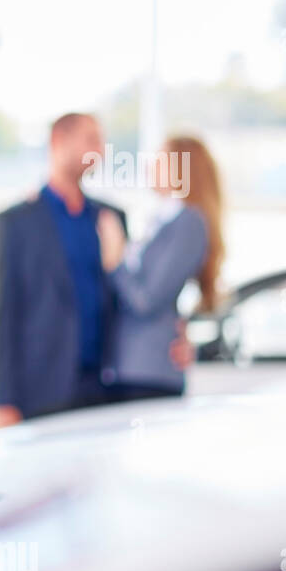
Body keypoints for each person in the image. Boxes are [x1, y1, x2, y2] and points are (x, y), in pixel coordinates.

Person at [0, 113, 128, 426]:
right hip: (42, 391)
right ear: (58, 142)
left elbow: (130, 296)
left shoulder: (110, 218)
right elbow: (3, 314)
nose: (101, 152)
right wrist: (4, 400)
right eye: (91, 140)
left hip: (106, 389)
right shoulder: (15, 223)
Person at [97, 135, 224, 400]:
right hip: (132, 367)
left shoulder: (189, 223)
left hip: (149, 372)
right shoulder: (162, 220)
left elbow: (146, 300)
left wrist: (115, 261)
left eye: (160, 160)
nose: (150, 167)